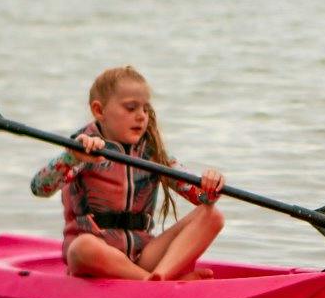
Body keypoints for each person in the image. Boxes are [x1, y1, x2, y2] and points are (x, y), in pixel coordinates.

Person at [30, 65, 224, 281]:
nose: (141, 116)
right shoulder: (83, 148)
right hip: (96, 259)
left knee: (212, 215)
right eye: (131, 108)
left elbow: (201, 197)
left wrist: (211, 185)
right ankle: (157, 284)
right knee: (82, 247)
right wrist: (71, 157)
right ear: (99, 111)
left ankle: (160, 277)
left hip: (143, 256)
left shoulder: (152, 153)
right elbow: (39, 188)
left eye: (145, 109)